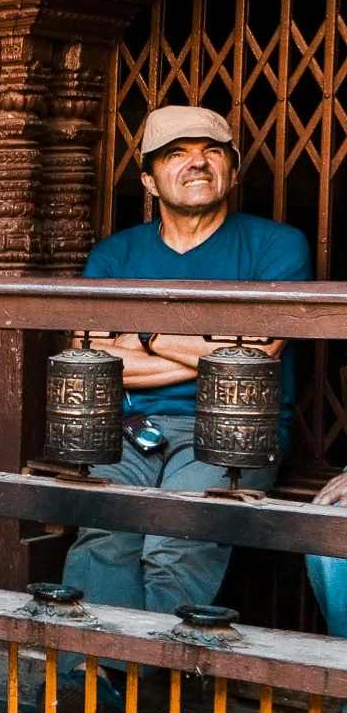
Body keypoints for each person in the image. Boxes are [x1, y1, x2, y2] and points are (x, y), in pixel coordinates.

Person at [68, 105, 310, 617]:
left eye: (212, 152)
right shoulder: (116, 256)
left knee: (173, 541)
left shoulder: (277, 245)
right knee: (102, 532)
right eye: (176, 154)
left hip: (232, 427)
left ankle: (147, 682)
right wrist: (211, 350)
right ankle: (99, 677)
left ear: (233, 169)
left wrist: (144, 336)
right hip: (133, 424)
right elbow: (89, 356)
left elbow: (258, 355)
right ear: (149, 181)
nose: (196, 163)